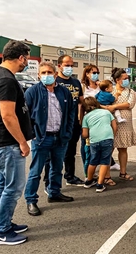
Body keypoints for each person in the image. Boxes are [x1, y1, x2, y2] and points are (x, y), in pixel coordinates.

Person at [0, 40, 33, 246]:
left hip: (3, 143)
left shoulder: (2, 75)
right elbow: (8, 116)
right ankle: (0, 231)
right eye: (27, 57)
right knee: (13, 187)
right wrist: (22, 142)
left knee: (3, 185)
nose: (27, 61)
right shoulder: (6, 80)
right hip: (8, 144)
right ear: (21, 57)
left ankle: (2, 223)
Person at [24, 62, 75, 217]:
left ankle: (54, 192)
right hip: (41, 138)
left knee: (57, 167)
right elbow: (25, 116)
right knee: (36, 171)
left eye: (49, 72)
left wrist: (67, 132)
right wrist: (33, 134)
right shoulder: (32, 92)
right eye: (43, 72)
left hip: (60, 138)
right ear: (39, 75)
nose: (47, 75)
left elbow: (71, 113)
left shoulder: (64, 92)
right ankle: (31, 200)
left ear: (55, 74)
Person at [55, 55, 85, 186]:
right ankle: (51, 181)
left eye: (71, 65)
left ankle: (70, 176)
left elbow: (81, 101)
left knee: (71, 151)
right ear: (59, 65)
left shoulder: (76, 82)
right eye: (67, 65)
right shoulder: (55, 81)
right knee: (55, 153)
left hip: (73, 122)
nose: (69, 68)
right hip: (58, 123)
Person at [107, 68, 136, 182]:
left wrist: (114, 106)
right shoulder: (110, 90)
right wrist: (114, 105)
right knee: (108, 149)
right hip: (111, 123)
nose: (127, 80)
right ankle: (106, 176)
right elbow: (106, 102)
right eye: (125, 78)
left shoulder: (131, 92)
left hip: (126, 124)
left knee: (123, 149)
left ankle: (123, 172)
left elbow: (129, 104)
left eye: (127, 78)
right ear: (117, 80)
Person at [82, 97, 118, 192]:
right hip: (107, 138)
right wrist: (112, 136)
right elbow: (114, 126)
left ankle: (89, 180)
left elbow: (85, 134)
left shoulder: (86, 117)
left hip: (94, 140)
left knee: (93, 161)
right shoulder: (106, 112)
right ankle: (100, 184)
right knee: (105, 161)